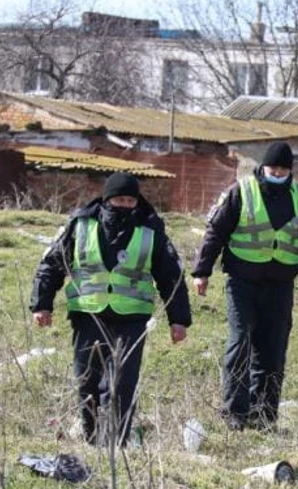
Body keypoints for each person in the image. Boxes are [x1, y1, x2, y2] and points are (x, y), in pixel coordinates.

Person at [30, 172, 192, 446]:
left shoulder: (151, 230)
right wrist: (42, 304)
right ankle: (92, 439)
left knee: (121, 385)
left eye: (130, 200)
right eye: (119, 199)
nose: (125, 205)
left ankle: (116, 444)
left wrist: (179, 320)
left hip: (131, 319)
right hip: (88, 314)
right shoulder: (80, 225)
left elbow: (171, 276)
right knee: (87, 383)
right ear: (107, 200)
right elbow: (52, 264)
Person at [192, 141, 298, 432]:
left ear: (290, 171)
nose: (278, 173)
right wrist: (202, 271)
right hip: (242, 282)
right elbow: (216, 232)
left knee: (272, 351)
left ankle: (265, 414)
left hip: (280, 287)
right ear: (263, 167)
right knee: (239, 343)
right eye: (273, 168)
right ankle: (235, 413)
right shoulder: (242, 192)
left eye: (283, 169)